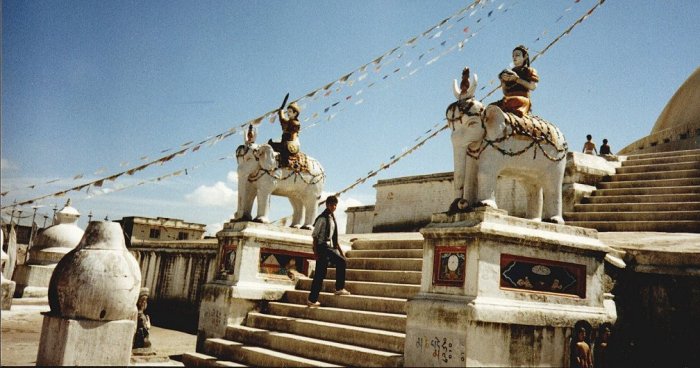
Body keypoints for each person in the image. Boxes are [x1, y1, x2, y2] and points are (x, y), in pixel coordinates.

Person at [307, 195, 350, 307]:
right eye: (331, 204)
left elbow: (334, 239)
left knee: (320, 275)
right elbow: (315, 236)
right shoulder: (322, 218)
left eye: (335, 205)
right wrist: (315, 253)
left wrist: (340, 252)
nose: (333, 207)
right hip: (322, 247)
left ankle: (312, 300)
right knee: (341, 262)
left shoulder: (332, 218)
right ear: (327, 205)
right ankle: (339, 288)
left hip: (329, 247)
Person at [492, 45, 539, 117]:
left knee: (515, 101)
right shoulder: (510, 72)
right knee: (491, 107)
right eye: (513, 56)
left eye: (517, 55)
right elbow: (505, 92)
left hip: (521, 100)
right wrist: (503, 82)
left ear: (525, 56)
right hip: (507, 99)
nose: (514, 57)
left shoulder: (530, 70)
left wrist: (517, 79)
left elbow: (533, 87)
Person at [269, 94, 301, 168]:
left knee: (284, 148)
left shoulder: (295, 123)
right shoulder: (288, 122)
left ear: (295, 113)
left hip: (291, 144)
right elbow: (283, 120)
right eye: (288, 111)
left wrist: (281, 111)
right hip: (285, 143)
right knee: (270, 145)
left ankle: (286, 163)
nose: (288, 113)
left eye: (290, 111)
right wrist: (281, 111)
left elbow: (292, 133)